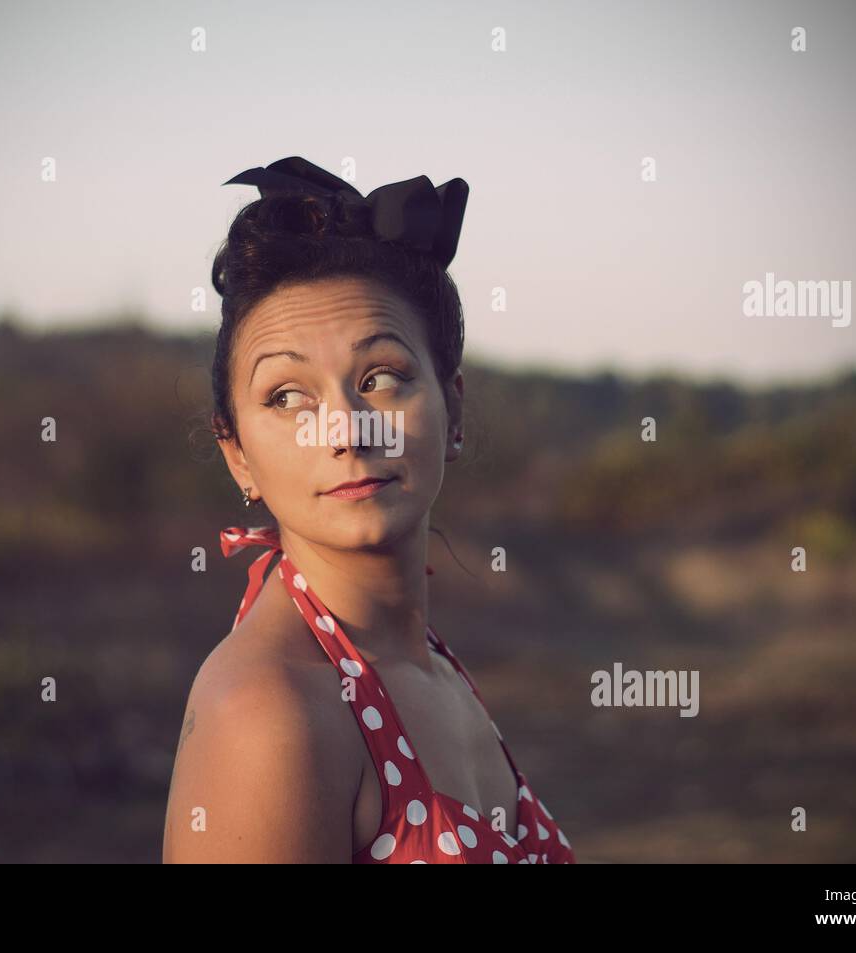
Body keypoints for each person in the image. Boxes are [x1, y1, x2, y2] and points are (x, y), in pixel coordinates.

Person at [163, 157, 576, 863]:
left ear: (453, 409)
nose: (346, 429)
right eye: (287, 396)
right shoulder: (267, 710)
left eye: (380, 378)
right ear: (237, 454)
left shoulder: (432, 665)